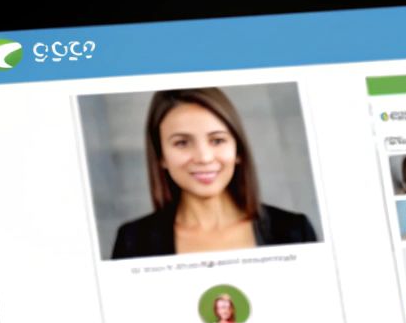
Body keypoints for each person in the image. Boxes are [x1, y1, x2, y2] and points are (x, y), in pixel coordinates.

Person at [110, 88, 317, 258]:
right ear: (161, 156)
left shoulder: (294, 231)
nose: (204, 157)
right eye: (182, 143)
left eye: (217, 140)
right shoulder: (133, 241)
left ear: (238, 150)